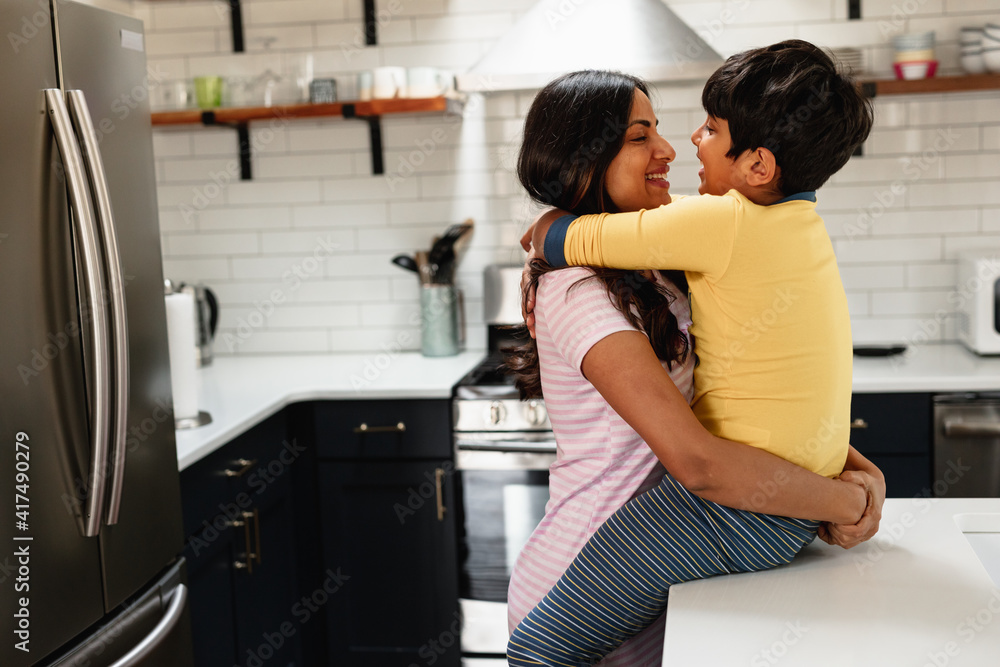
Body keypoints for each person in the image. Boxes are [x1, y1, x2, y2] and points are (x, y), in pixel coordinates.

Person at [506, 55, 882, 667]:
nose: (673, 149)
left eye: (689, 129)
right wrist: (842, 502)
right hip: (587, 582)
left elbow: (767, 388)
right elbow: (701, 464)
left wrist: (857, 471)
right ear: (583, 158)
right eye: (640, 136)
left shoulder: (670, 264)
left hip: (674, 568)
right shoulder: (579, 291)